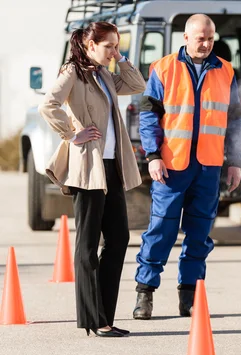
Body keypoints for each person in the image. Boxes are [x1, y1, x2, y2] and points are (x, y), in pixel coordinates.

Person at [132, 14, 241, 319]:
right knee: (161, 230)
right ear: (186, 37)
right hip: (172, 166)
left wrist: (234, 162)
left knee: (199, 235)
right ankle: (145, 293)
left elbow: (235, 121)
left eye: (210, 39)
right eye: (200, 38)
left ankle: (189, 297)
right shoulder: (163, 68)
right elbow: (148, 116)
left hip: (209, 167)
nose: (206, 44)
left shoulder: (225, 71)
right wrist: (153, 155)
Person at [39, 22, 146, 337]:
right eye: (109, 46)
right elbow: (49, 105)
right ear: (89, 46)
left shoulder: (105, 75)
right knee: (87, 245)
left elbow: (137, 85)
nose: (114, 51)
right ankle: (93, 320)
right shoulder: (74, 71)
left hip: (112, 167)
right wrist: (72, 134)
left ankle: (105, 317)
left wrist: (121, 59)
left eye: (116, 45)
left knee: (119, 238)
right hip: (87, 168)